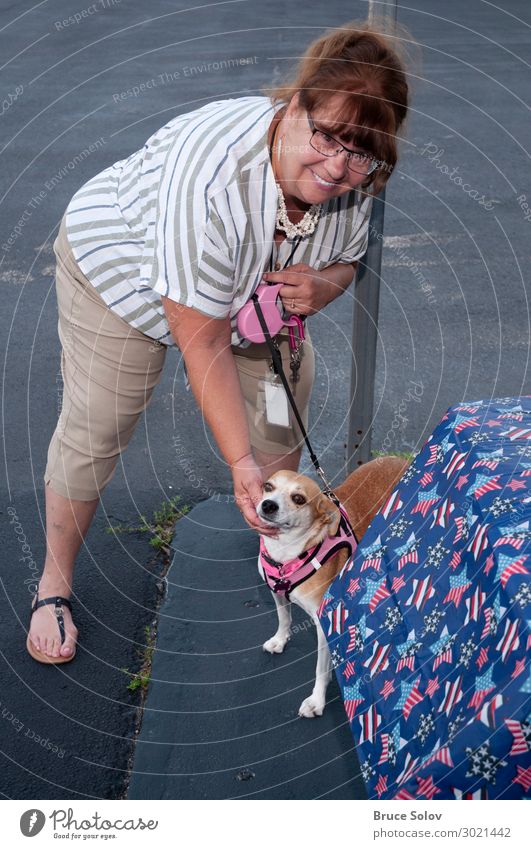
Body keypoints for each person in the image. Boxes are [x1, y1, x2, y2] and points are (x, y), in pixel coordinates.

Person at [27, 19, 409, 662]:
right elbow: (201, 343)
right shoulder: (212, 176)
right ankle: (53, 583)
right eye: (326, 136)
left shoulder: (354, 179)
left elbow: (345, 262)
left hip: (254, 314)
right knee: (98, 426)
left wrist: (324, 286)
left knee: (282, 416)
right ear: (294, 106)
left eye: (361, 152)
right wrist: (239, 466)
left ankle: (285, 536)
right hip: (121, 283)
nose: (338, 165)